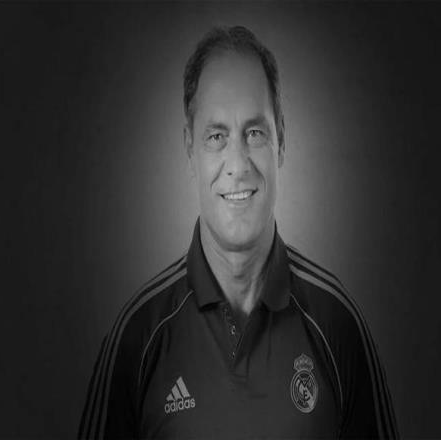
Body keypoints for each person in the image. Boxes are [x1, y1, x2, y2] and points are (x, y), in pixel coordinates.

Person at [78, 25, 399, 439]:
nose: (238, 164)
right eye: (216, 136)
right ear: (189, 149)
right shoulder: (136, 338)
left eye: (254, 133)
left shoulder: (339, 326)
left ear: (281, 141)